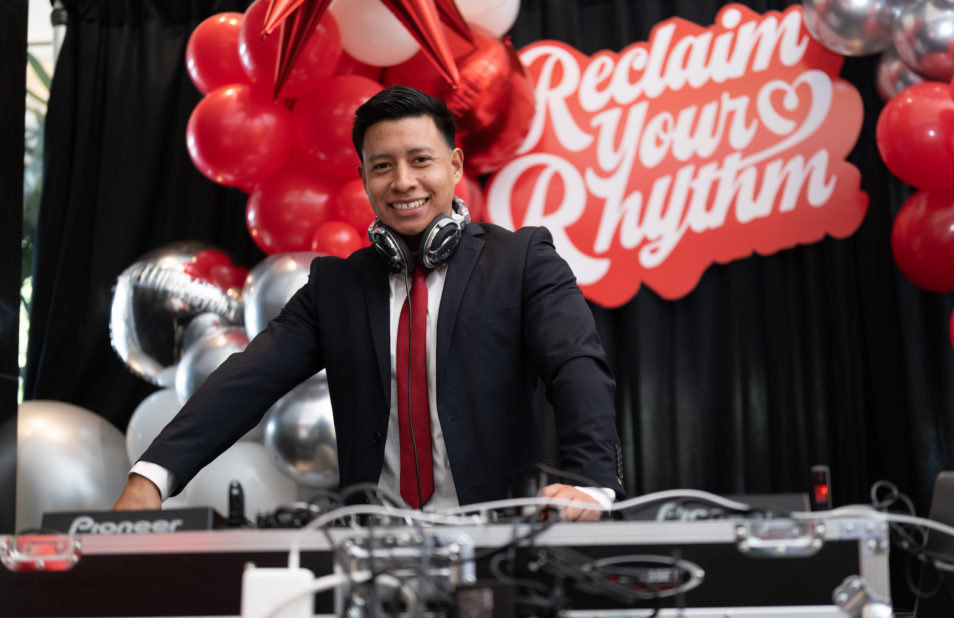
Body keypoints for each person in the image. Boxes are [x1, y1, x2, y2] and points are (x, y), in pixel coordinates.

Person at [113, 85, 624, 521]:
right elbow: (247, 379)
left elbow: (575, 364)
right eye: (383, 166)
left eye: (420, 160)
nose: (403, 182)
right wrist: (152, 476)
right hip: (373, 545)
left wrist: (591, 480)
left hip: (500, 533)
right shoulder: (337, 287)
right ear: (364, 179)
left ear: (454, 165)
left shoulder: (521, 260)